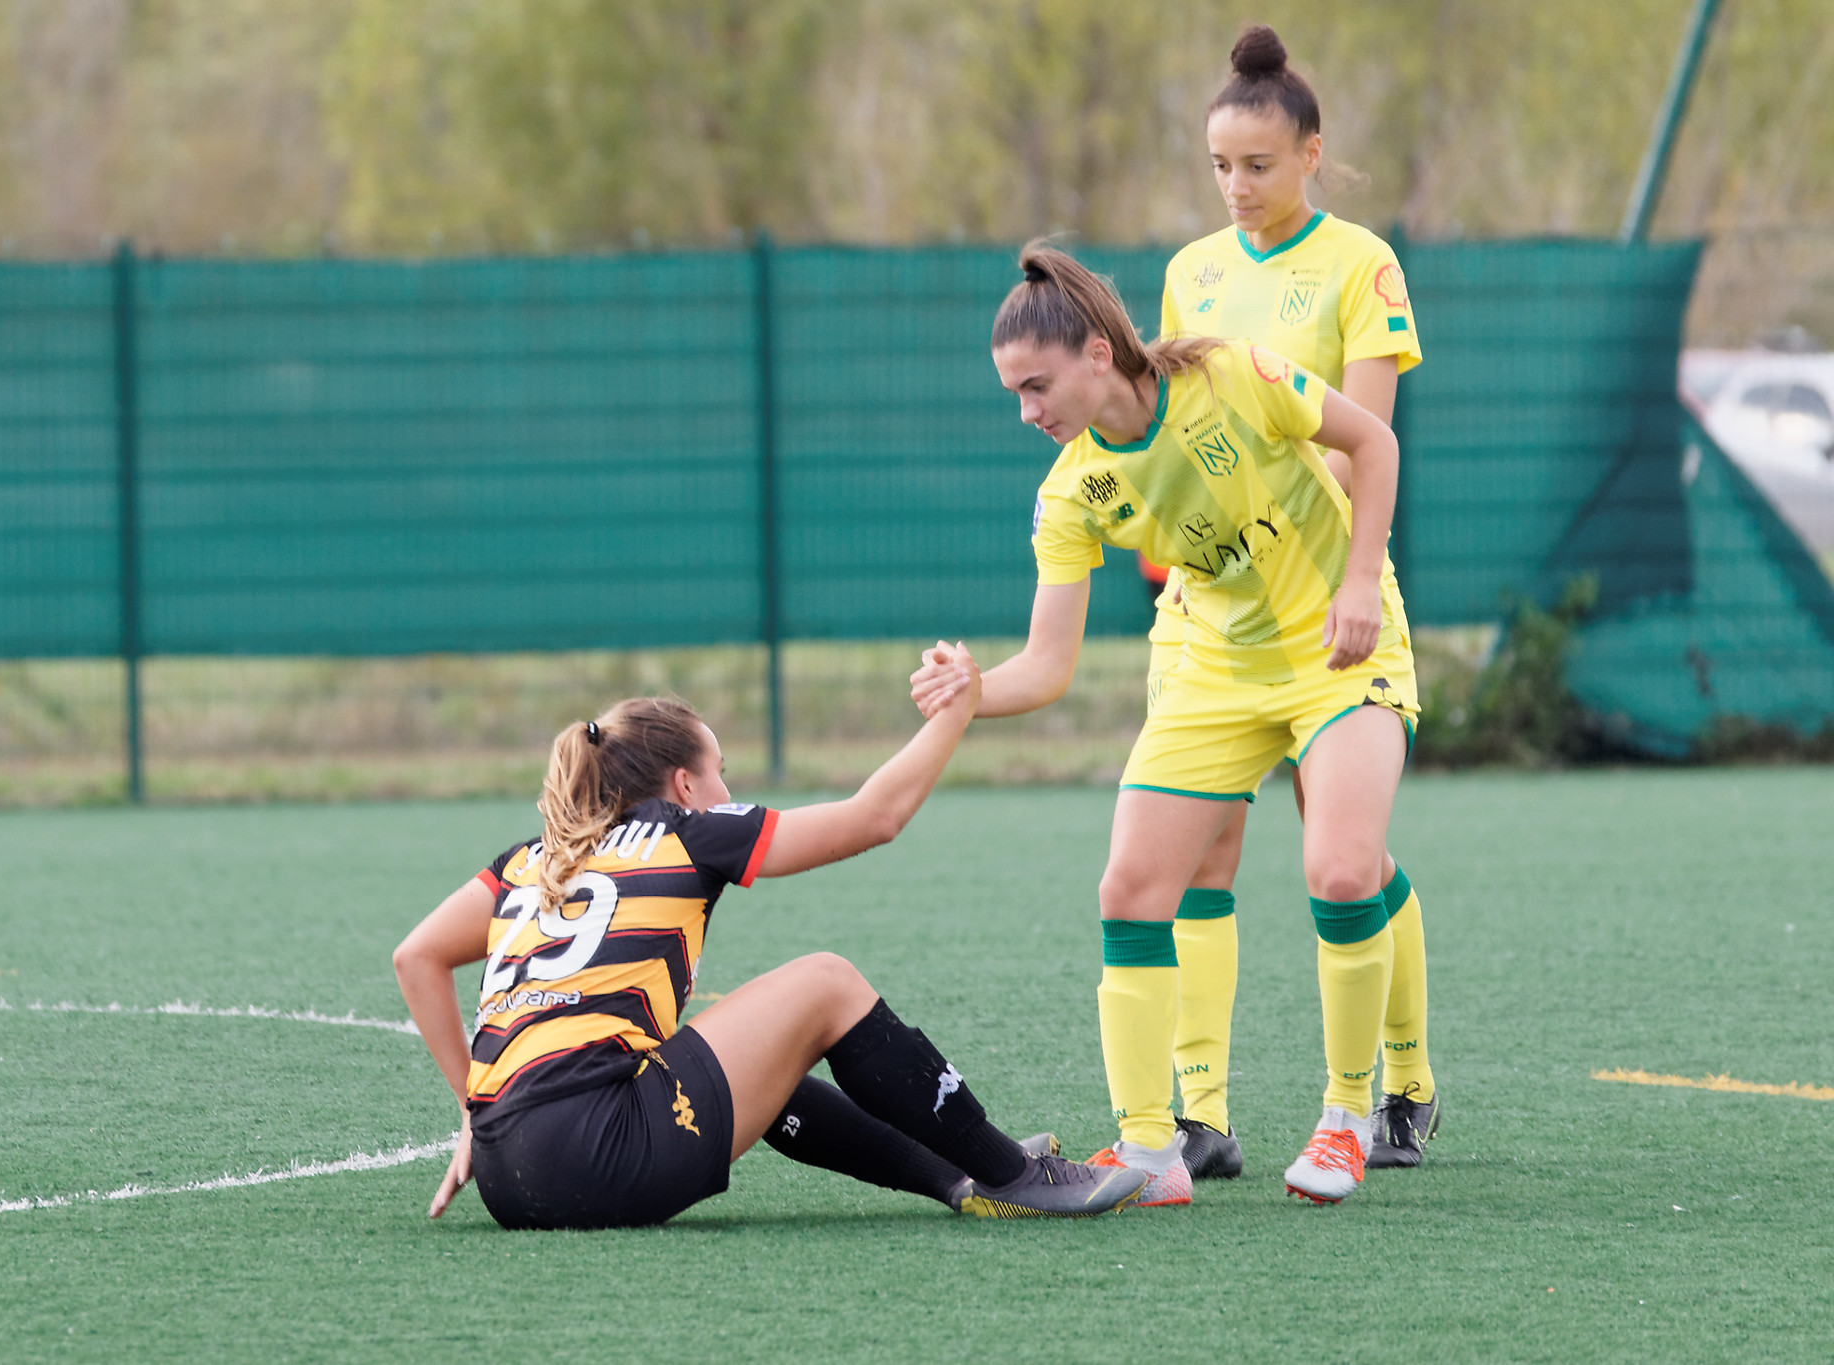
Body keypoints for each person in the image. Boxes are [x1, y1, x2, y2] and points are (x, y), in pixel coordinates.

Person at [912, 239, 1416, 1205]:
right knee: (1131, 889)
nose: (1027, 412)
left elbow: (1375, 445)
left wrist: (1361, 582)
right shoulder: (1070, 490)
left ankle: (1347, 1116)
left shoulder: (1232, 374)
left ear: (1098, 353)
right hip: (1219, 673)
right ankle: (1150, 1150)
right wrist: (971, 686)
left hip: (1339, 649)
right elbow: (1047, 665)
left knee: (1344, 870)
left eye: (1035, 386)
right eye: (1014, 394)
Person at [395, 675, 1148, 1230]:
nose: (727, 786)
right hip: (600, 1154)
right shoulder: (688, 831)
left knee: (761, 1039)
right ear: (684, 784)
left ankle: (956, 1173)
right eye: (719, 770)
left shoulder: (532, 858)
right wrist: (958, 711)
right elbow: (876, 817)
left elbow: (416, 955)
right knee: (825, 983)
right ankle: (1016, 1176)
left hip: (506, 1178)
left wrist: (473, 1105)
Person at [1145, 23, 1440, 1179]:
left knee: (1345, 858)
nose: (1235, 185)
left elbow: (1358, 443)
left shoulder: (1361, 264)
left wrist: (1316, 556)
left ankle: (1399, 1086)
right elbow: (1175, 433)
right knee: (1196, 856)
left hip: (1321, 600)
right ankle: (1200, 1115)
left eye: (1257, 164)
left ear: (1310, 155)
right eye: (1219, 164)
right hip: (1210, 614)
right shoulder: (1189, 273)